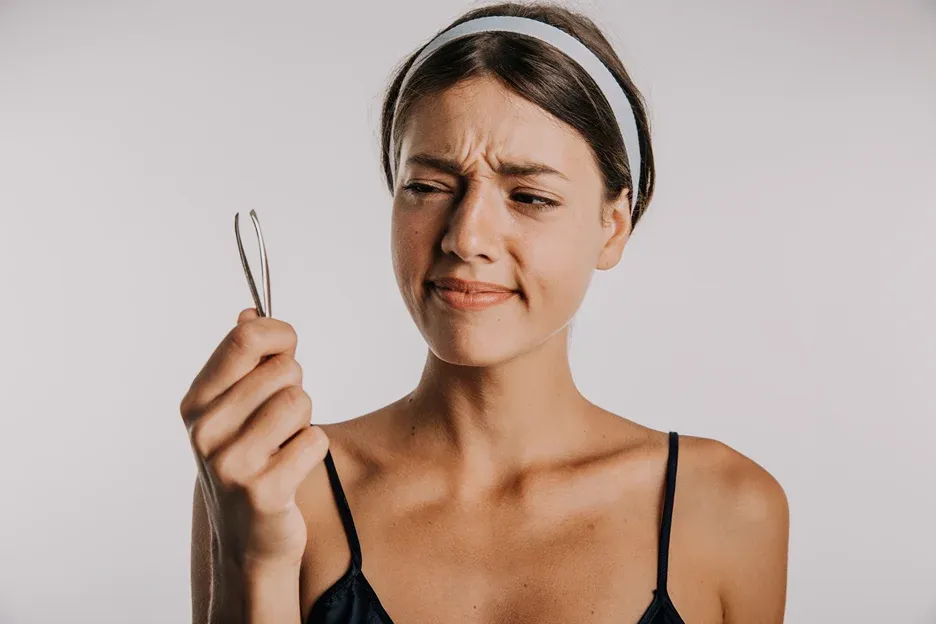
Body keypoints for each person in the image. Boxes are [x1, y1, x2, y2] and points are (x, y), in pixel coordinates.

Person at [181, 3, 790, 623]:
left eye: (530, 196)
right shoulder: (275, 487)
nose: (466, 237)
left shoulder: (726, 508)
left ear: (613, 225)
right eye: (428, 186)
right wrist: (254, 562)